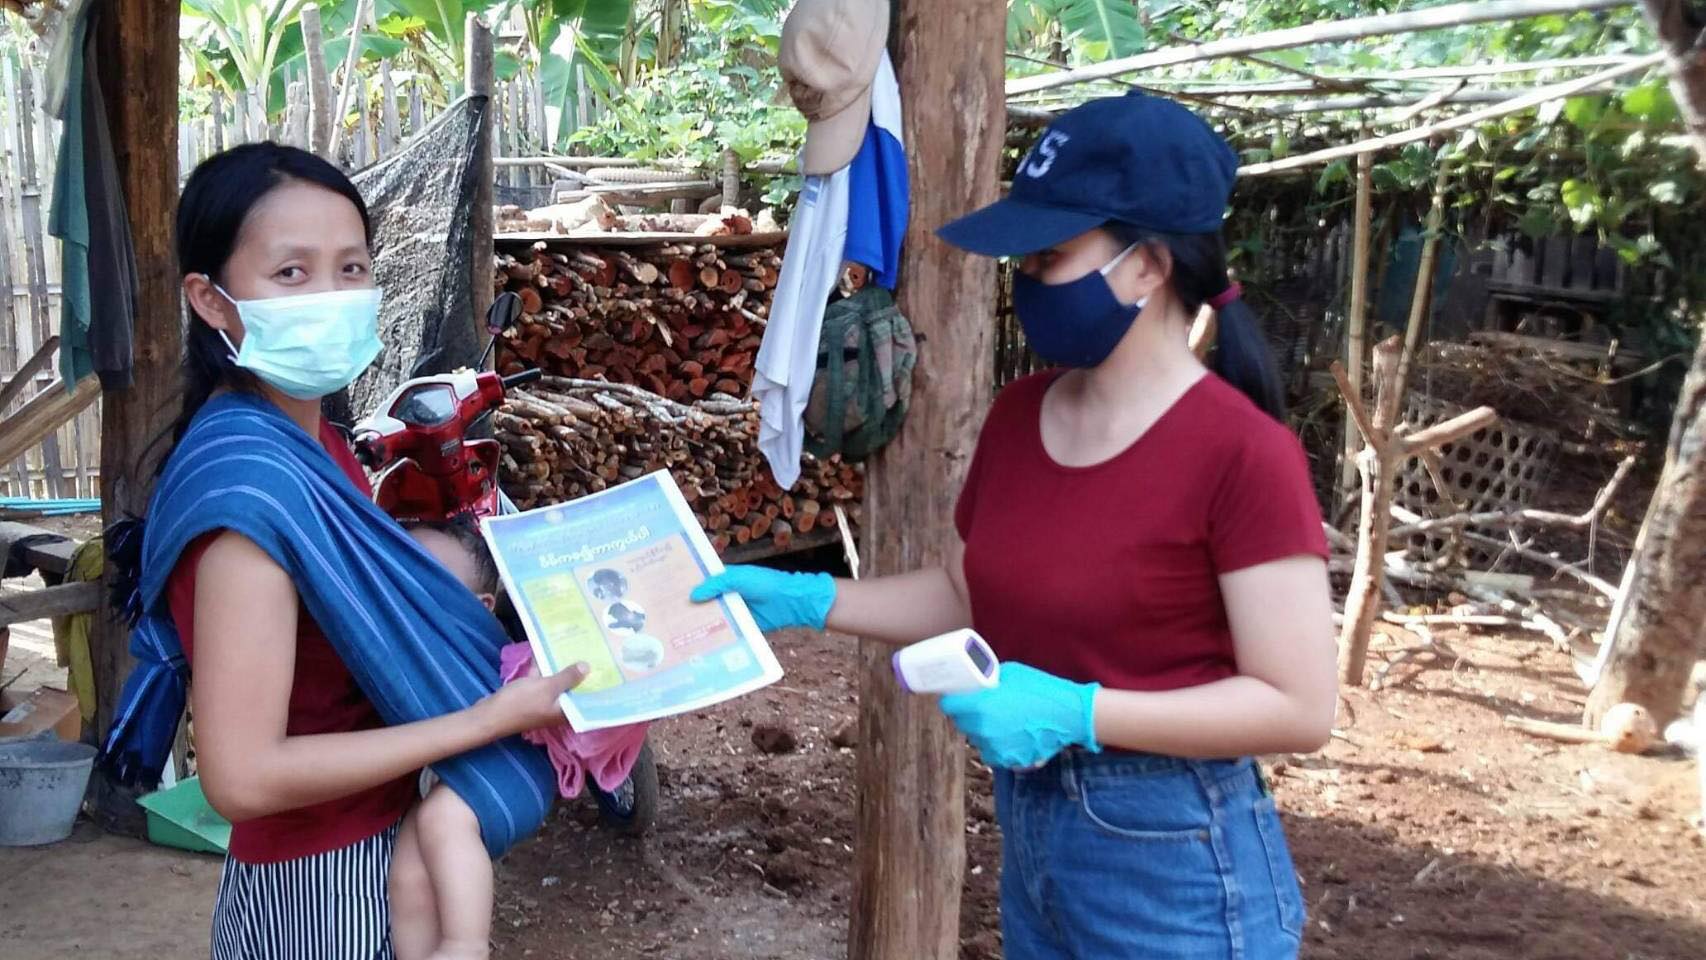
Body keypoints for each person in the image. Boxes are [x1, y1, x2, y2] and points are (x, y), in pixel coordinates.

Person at [694, 93, 1335, 959]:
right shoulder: (1020, 414)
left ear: (1147, 267)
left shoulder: (1243, 454)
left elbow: (1298, 706)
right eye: (1024, 259)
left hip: (1178, 853)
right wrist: (811, 598)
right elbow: (967, 593)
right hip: (1034, 827)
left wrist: (1084, 711)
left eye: (1050, 256)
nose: (1026, 279)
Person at [119, 143, 588, 960]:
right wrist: (484, 720)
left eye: (351, 268)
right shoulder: (249, 503)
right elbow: (241, 776)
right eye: (291, 273)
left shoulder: (319, 445)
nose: (331, 298)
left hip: (384, 845)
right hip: (317, 884)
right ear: (211, 300)